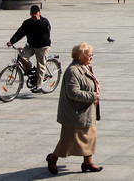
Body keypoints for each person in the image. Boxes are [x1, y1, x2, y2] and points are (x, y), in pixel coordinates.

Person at [47, 42, 102, 174]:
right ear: (80, 56)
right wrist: (93, 96)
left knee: (89, 136)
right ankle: (53, 158)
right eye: (89, 55)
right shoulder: (73, 71)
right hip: (74, 113)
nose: (91, 57)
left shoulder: (85, 67)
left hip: (85, 111)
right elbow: (73, 92)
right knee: (68, 141)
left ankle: (88, 162)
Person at [7, 5, 52, 91]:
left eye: (36, 13)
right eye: (32, 13)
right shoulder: (27, 23)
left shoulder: (44, 21)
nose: (34, 15)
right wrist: (12, 41)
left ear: (39, 13)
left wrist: (38, 22)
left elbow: (45, 31)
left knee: (41, 65)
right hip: (31, 45)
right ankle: (32, 69)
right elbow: (20, 33)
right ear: (30, 14)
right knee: (21, 56)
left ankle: (39, 86)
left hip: (43, 46)